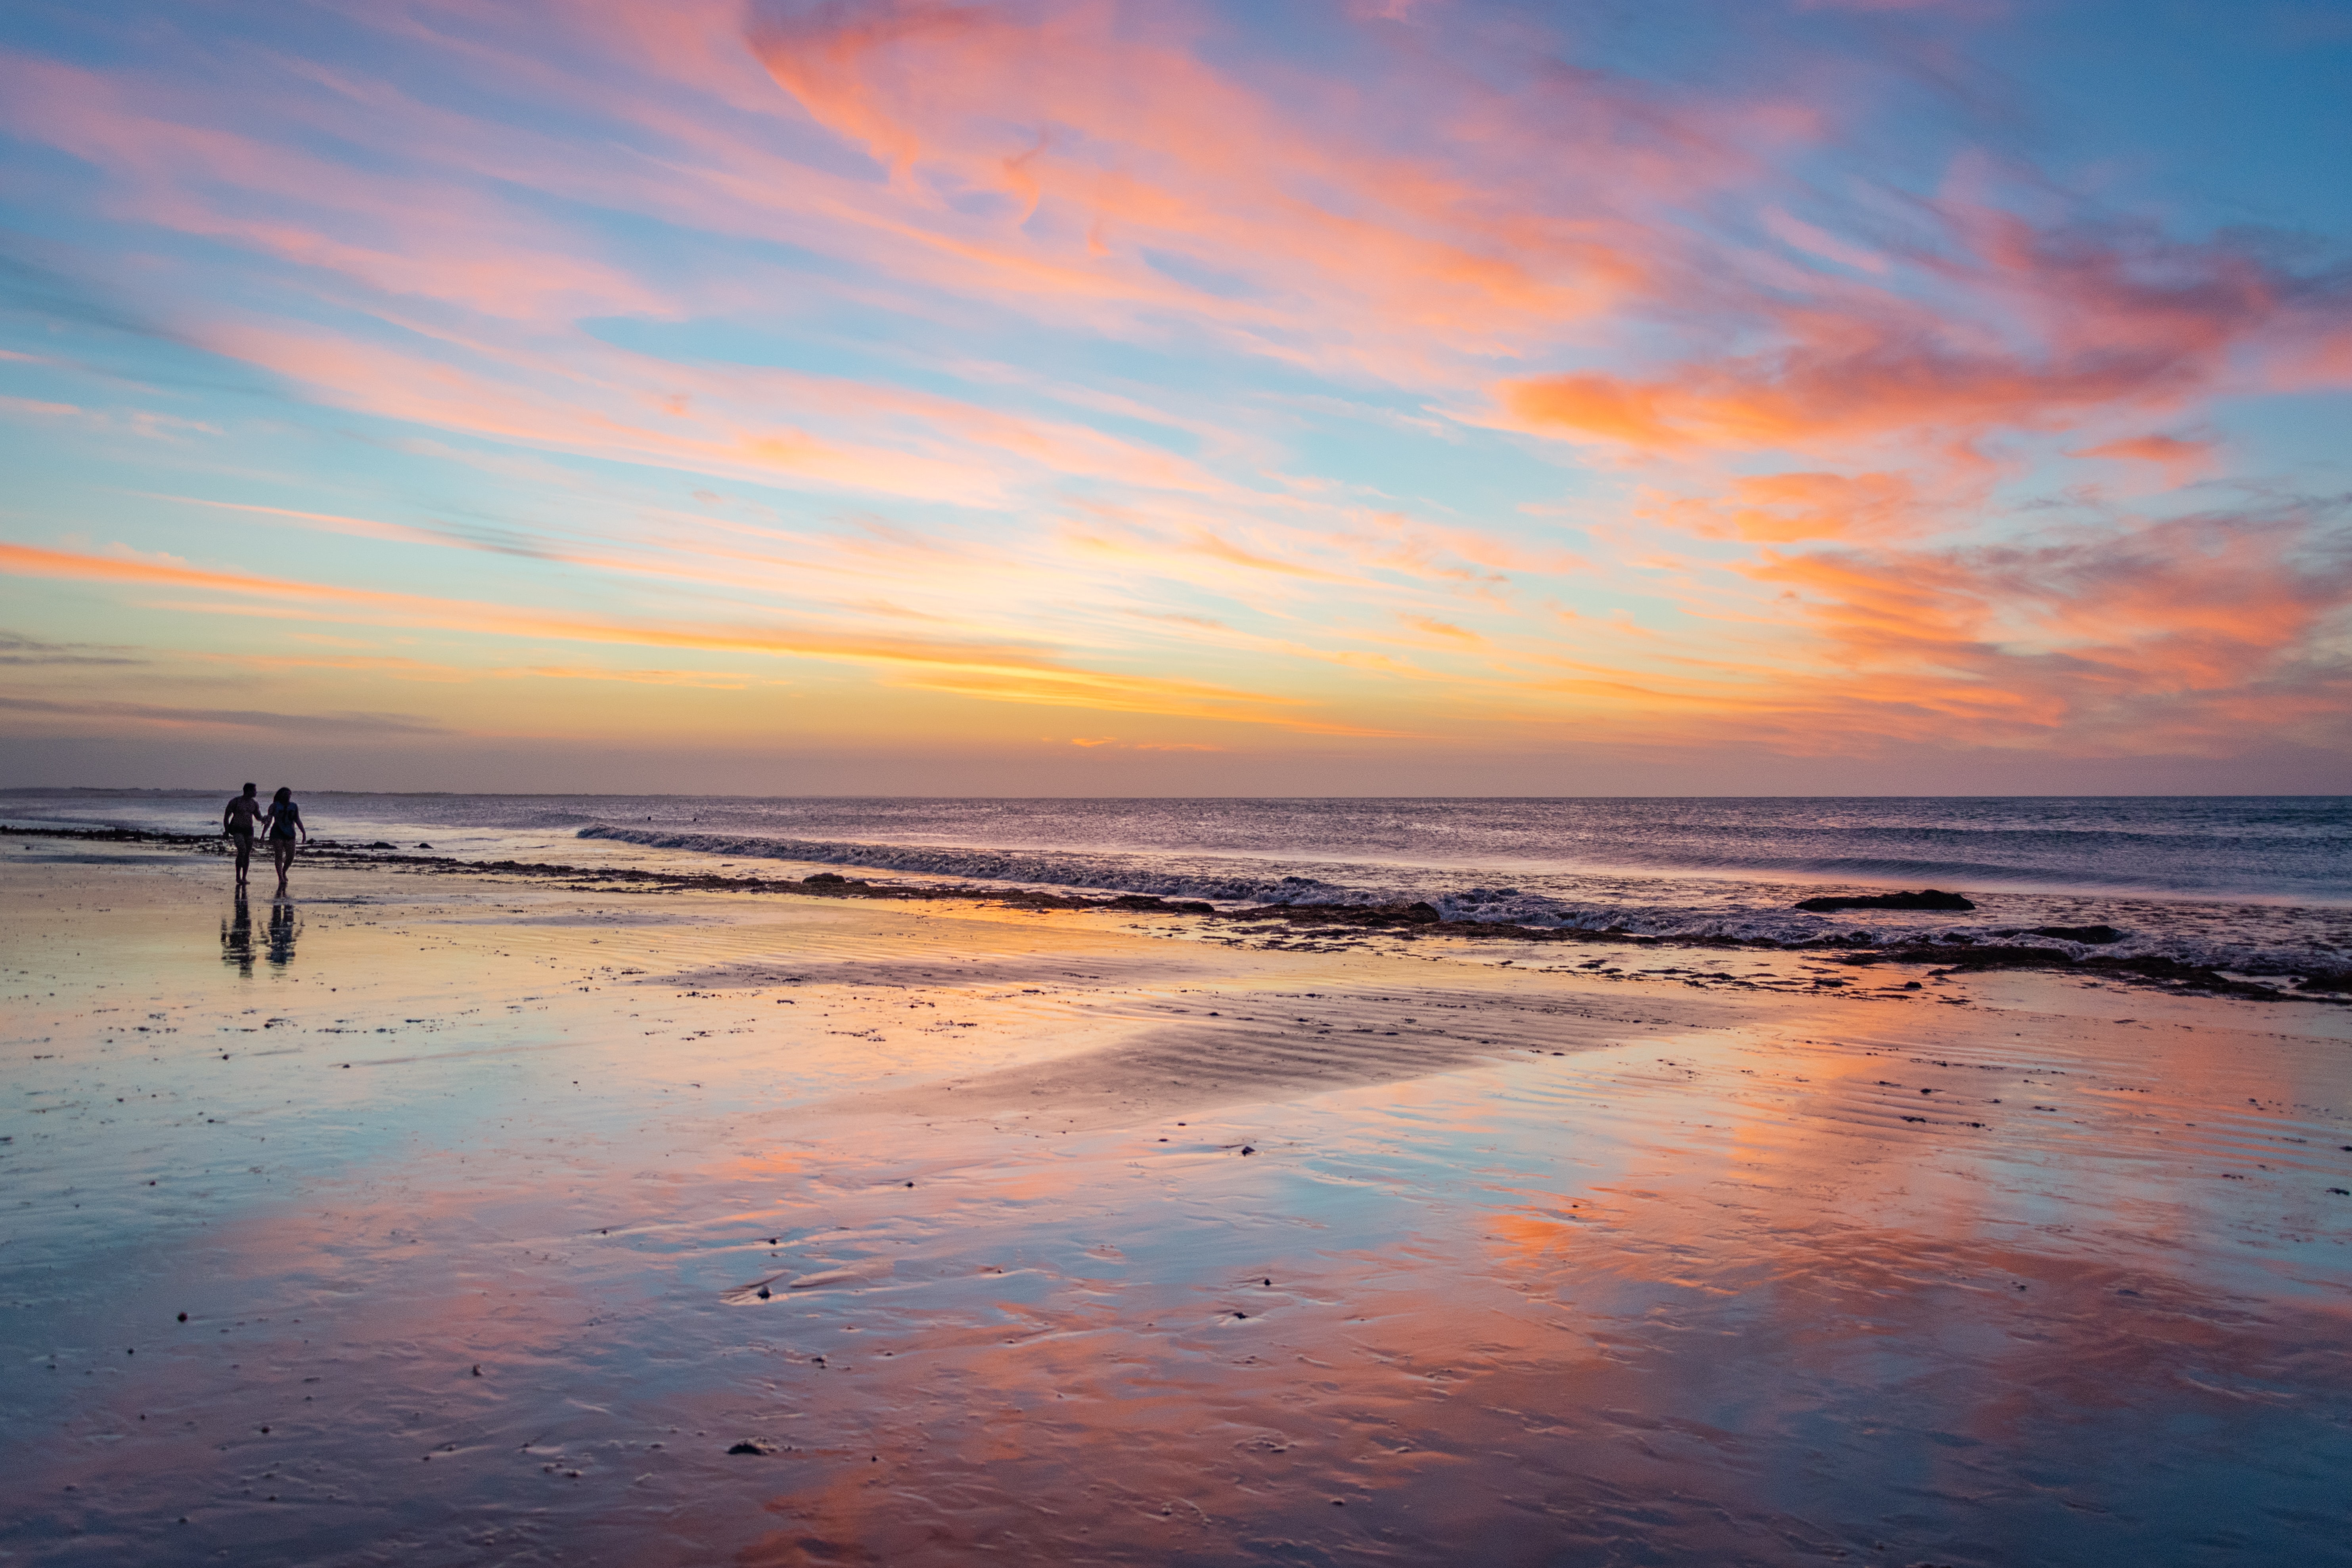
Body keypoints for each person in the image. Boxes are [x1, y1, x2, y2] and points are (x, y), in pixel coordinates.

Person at [261, 786, 307, 896]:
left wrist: (304, 833)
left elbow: (297, 820)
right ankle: (281, 877)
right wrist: (263, 834)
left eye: (290, 795)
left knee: (291, 855)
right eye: (286, 794)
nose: (288, 796)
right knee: (279, 855)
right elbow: (269, 820)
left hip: (290, 833)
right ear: (281, 795)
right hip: (277, 832)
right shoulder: (274, 806)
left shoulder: (294, 806)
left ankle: (284, 871)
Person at [222, 782, 264, 892]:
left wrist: (265, 819)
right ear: (248, 791)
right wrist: (226, 831)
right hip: (237, 829)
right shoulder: (235, 802)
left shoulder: (254, 804)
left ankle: (244, 877)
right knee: (242, 850)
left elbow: (258, 817)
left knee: (247, 854)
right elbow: (227, 816)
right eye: (254, 790)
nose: (256, 792)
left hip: (249, 830)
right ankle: (238, 877)